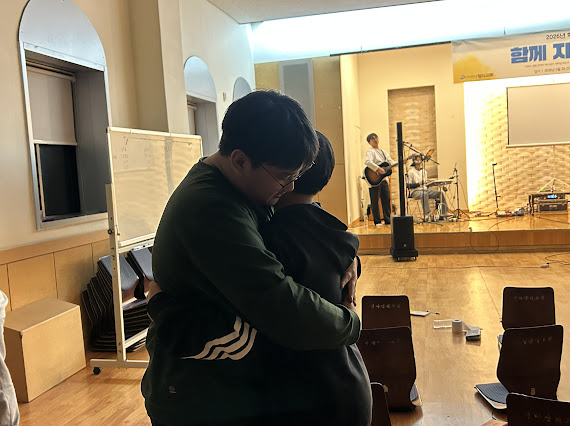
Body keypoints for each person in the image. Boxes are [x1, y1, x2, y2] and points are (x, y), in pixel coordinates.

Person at [141, 90, 361, 425]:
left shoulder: (244, 187)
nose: (289, 189)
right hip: (195, 394)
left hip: (228, 385)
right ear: (240, 160)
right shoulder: (212, 209)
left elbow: (310, 238)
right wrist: (351, 322)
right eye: (284, 178)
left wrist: (349, 261)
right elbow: (280, 303)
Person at [261, 131, 372, 426]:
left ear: (287, 173)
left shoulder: (271, 237)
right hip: (351, 383)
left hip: (309, 397)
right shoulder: (336, 232)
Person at [364, 133, 394, 227]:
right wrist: (377, 169)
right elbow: (367, 161)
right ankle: (377, 221)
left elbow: (391, 162)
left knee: (386, 199)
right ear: (369, 142)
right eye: (372, 139)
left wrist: (401, 162)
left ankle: (387, 219)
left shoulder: (383, 152)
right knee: (375, 200)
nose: (375, 140)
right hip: (374, 178)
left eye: (376, 138)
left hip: (383, 179)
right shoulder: (370, 152)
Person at [406, 154, 448, 220]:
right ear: (414, 161)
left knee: (439, 193)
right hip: (415, 191)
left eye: (420, 160)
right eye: (417, 160)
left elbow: (425, 184)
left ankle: (443, 213)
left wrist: (431, 183)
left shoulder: (424, 172)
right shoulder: (410, 172)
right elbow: (408, 185)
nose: (419, 162)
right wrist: (418, 183)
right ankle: (427, 214)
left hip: (424, 189)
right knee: (424, 194)